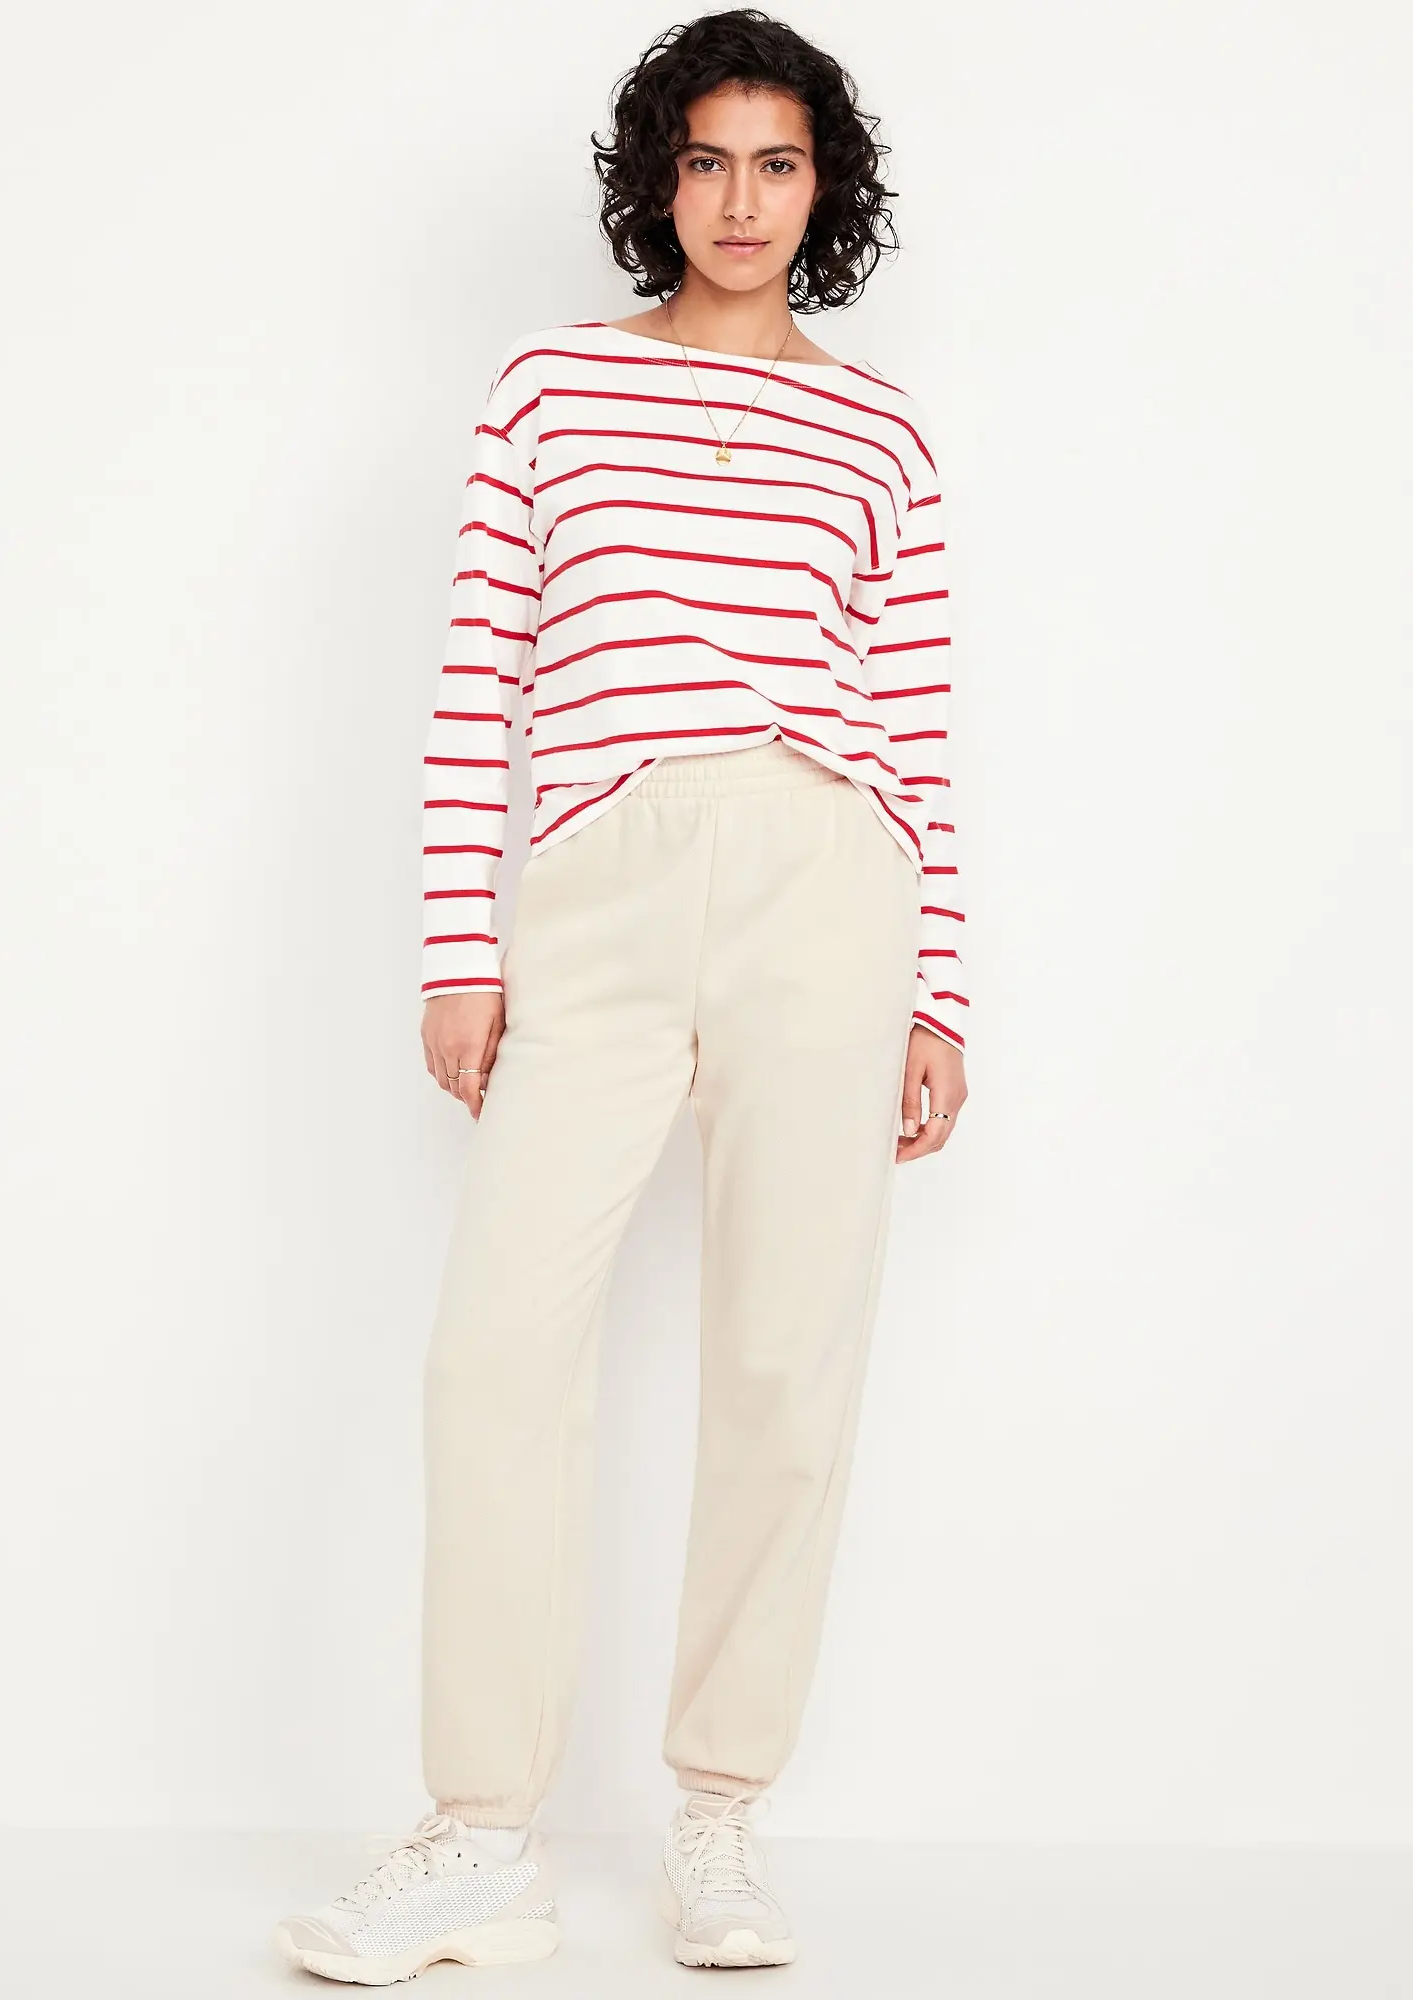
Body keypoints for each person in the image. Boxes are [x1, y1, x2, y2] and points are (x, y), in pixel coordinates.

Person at [275, 8, 970, 1982]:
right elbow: (477, 676)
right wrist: (459, 948)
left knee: (786, 1357)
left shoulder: (885, 431)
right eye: (707, 159)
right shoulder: (550, 390)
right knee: (495, 1352)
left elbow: (918, 727)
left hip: (826, 881)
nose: (741, 200)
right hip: (597, 888)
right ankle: (478, 1831)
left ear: (823, 190)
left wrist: (941, 992)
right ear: (657, 180)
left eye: (779, 162)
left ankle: (720, 1812)